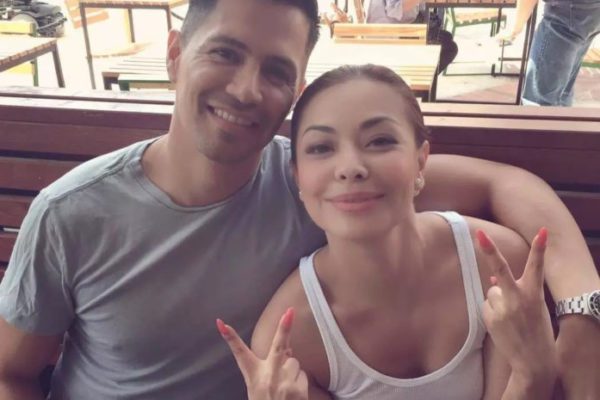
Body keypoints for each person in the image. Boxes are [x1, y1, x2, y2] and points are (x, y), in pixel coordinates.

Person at [0, 0, 597, 398]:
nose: (246, 89)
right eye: (224, 53)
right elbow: (11, 372)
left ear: (295, 91)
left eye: (276, 71)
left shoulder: (319, 180)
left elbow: (505, 184)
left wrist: (583, 313)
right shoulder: (72, 213)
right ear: (176, 54)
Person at [222, 64, 558, 399]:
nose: (350, 168)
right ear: (298, 176)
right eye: (321, 147)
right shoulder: (291, 335)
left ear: (420, 161)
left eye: (380, 141)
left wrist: (534, 373)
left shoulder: (496, 264)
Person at [496, 0, 600, 105]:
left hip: (565, 17)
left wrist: (515, 28)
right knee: (562, 91)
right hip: (589, 12)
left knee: (539, 101)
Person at [366, 0, 459, 73]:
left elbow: (419, 7)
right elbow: (394, 9)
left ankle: (420, 82)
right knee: (448, 48)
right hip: (388, 35)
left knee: (445, 37)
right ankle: (417, 83)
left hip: (400, 27)